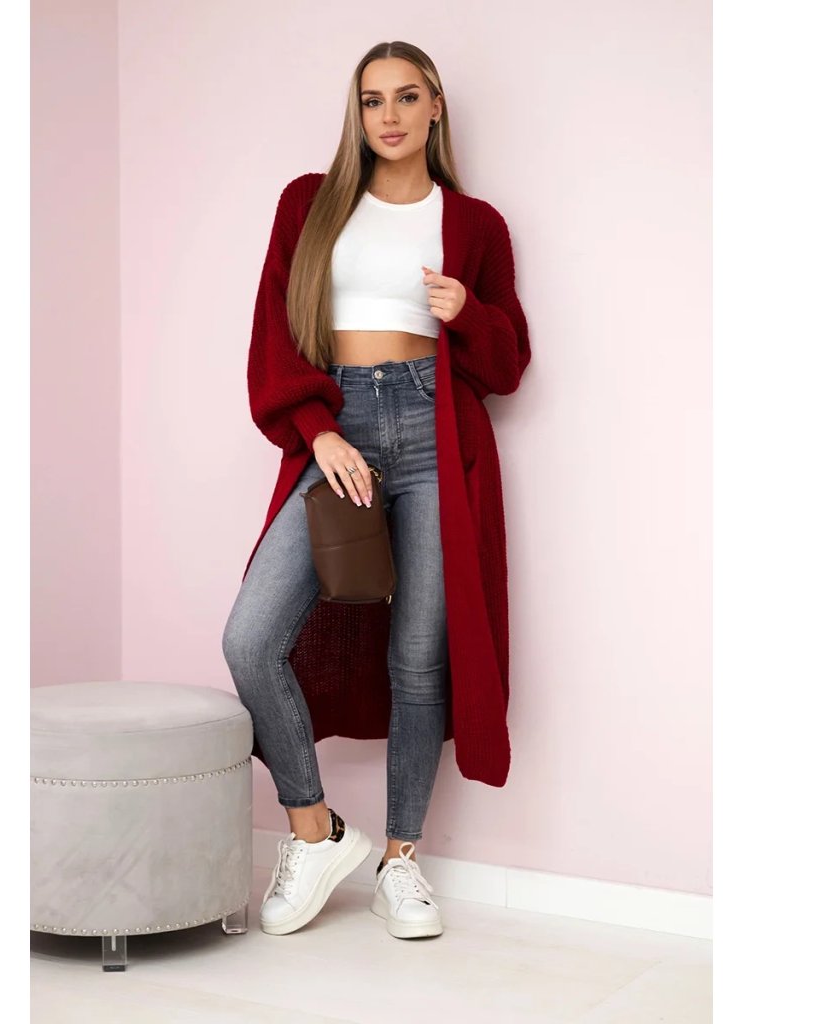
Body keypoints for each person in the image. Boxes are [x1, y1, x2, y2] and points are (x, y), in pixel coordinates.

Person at [222, 40, 531, 941]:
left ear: (435, 107)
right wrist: (318, 431)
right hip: (339, 427)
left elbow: (509, 362)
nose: (388, 115)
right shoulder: (309, 203)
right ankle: (314, 830)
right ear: (356, 114)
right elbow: (274, 331)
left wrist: (469, 313)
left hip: (436, 434)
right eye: (371, 100)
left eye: (405, 97)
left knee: (419, 659)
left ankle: (401, 860)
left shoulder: (475, 224)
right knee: (251, 638)